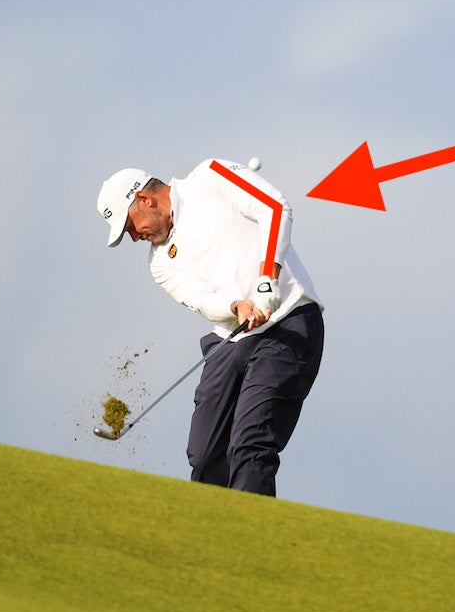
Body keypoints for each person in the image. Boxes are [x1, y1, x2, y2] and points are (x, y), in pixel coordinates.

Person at [96, 159, 324, 497]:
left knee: (251, 443)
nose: (133, 237)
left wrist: (267, 277)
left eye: (130, 226)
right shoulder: (158, 262)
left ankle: (248, 528)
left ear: (145, 199)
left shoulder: (209, 177)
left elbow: (275, 208)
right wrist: (236, 305)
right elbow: (201, 299)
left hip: (288, 324)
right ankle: (209, 526)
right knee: (204, 455)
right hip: (229, 340)